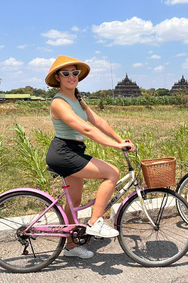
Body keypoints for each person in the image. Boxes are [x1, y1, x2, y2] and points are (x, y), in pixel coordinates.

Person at [45, 55, 135, 259]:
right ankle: (95, 222)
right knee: (112, 173)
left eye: (75, 73)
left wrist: (122, 140)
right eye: (66, 73)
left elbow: (98, 121)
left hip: (73, 151)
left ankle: (70, 246)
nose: (71, 77)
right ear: (58, 77)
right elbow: (86, 128)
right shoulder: (59, 102)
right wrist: (116, 146)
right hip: (63, 152)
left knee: (74, 202)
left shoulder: (77, 98)